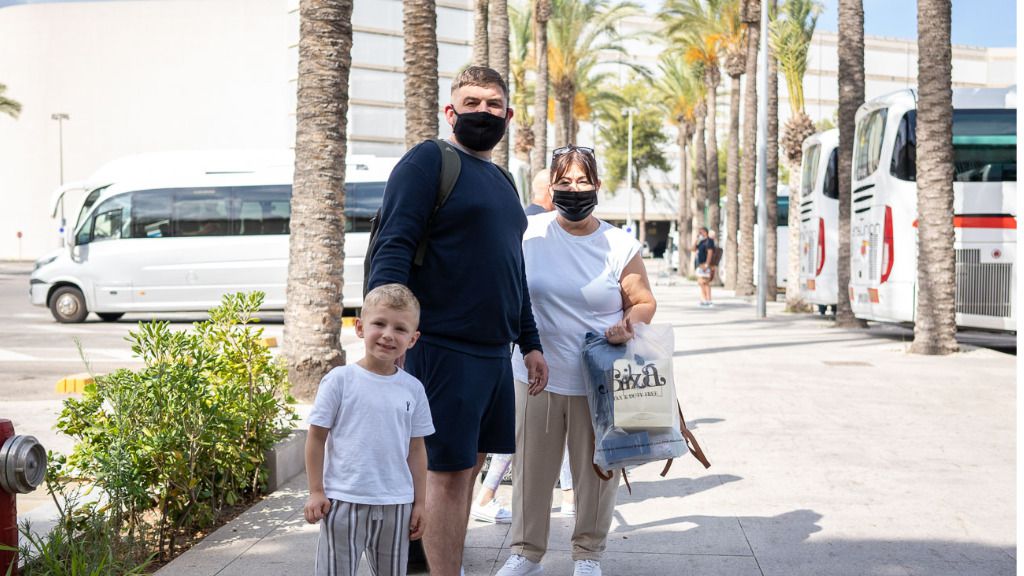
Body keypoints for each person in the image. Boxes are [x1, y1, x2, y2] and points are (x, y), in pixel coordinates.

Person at [367, 65, 549, 576]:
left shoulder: (503, 180)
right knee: (446, 474)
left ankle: (436, 567)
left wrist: (530, 342)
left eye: (493, 105)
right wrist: (387, 333)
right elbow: (394, 245)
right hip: (442, 347)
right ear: (451, 111)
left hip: (494, 355)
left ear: (508, 116)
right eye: (472, 102)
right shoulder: (430, 160)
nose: (483, 112)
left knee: (463, 474)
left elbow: (512, 270)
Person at [498, 145, 657, 576]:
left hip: (598, 379)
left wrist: (629, 323)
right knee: (531, 470)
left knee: (596, 473)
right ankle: (525, 552)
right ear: (551, 188)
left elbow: (643, 301)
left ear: (598, 186)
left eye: (582, 181)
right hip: (535, 374)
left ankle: (588, 554)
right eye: (564, 182)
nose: (573, 189)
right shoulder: (528, 233)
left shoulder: (619, 243)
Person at [303, 284, 433, 576]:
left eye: (400, 329)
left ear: (413, 339)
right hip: (342, 501)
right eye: (379, 323)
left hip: (396, 503)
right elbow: (316, 438)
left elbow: (416, 449)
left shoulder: (413, 389)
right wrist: (316, 491)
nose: (388, 334)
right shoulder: (339, 381)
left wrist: (420, 503)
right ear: (360, 327)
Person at [693, 226, 715, 307]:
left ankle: (709, 300)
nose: (700, 234)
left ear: (705, 232)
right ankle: (704, 299)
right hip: (700, 265)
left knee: (706, 283)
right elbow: (693, 249)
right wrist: (696, 239)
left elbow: (710, 252)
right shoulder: (701, 242)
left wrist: (707, 264)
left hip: (706, 265)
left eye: (701, 232)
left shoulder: (709, 241)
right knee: (701, 283)